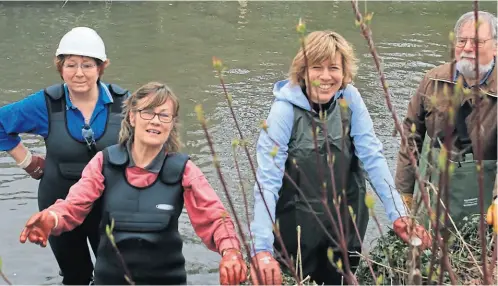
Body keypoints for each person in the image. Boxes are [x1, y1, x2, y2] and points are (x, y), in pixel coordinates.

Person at [248, 30, 431, 285]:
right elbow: (267, 182)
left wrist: (398, 214)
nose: (326, 76)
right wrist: (261, 249)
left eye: (334, 67)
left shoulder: (350, 99)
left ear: (344, 72)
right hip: (297, 226)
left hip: (345, 222)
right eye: (317, 67)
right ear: (303, 71)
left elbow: (373, 157)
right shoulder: (283, 111)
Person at [18, 82, 247, 285]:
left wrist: (231, 251)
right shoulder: (104, 162)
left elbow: (215, 217)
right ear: (132, 117)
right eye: (147, 112)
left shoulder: (183, 169)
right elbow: (74, 205)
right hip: (110, 280)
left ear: (171, 124)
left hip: (167, 280)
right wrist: (51, 218)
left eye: (164, 115)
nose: (155, 121)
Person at [0, 26, 129, 284]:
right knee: (75, 276)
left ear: (101, 67)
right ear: (60, 67)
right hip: (57, 206)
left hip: (109, 206)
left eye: (87, 65)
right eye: (71, 65)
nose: (79, 73)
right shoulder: (46, 104)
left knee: (116, 277)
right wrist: (26, 161)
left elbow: (152, 145)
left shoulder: (124, 103)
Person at [395, 11, 497, 229]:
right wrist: (403, 191)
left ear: (496, 47)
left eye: (477, 41)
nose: (468, 48)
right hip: (435, 192)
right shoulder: (432, 80)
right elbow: (411, 135)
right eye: (462, 40)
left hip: (484, 199)